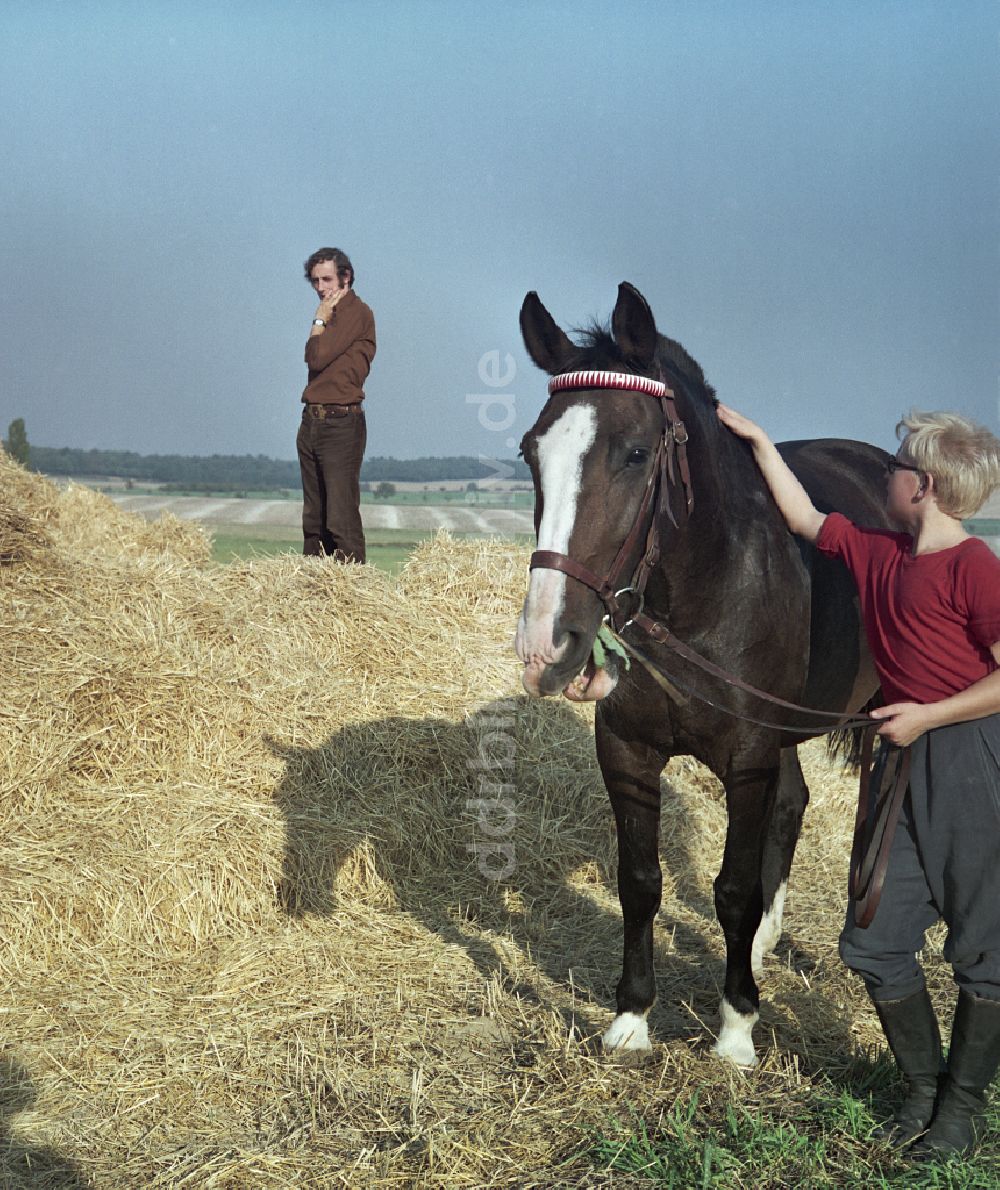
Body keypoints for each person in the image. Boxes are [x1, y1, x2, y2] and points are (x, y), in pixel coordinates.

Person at [717, 403, 1000, 1159]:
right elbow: (808, 518)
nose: (890, 474)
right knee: (871, 942)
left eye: (901, 466)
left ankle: (960, 1111)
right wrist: (760, 444)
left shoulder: (976, 568)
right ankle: (919, 1089)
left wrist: (931, 716)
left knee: (983, 947)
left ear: (928, 486)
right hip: (901, 762)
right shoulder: (880, 551)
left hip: (970, 758)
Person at [297, 247, 376, 562]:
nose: (320, 288)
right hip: (312, 420)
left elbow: (315, 356)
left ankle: (350, 594)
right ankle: (312, 590)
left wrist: (318, 320)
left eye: (327, 279)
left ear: (346, 277)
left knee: (340, 516)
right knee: (314, 518)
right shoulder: (332, 316)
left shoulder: (355, 313)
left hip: (340, 423)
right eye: (315, 281)